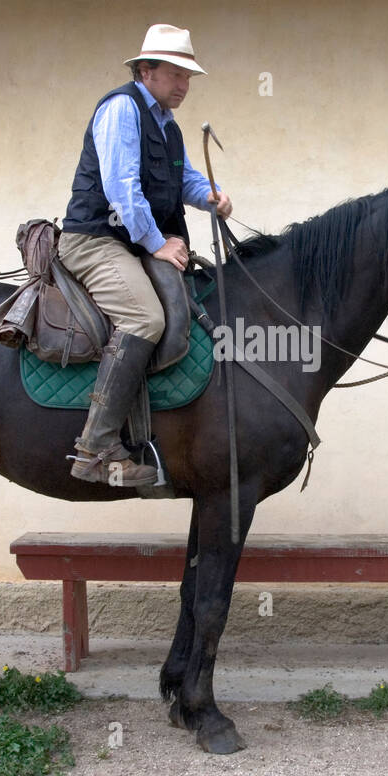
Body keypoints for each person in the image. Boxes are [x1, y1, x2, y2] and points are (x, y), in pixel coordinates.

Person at [58, 24, 232, 487]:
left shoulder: (166, 125)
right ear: (145, 70)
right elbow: (122, 188)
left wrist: (210, 195)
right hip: (95, 240)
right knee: (144, 320)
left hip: (133, 244)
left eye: (188, 77)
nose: (184, 86)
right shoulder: (121, 109)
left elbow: (184, 180)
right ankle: (95, 447)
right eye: (176, 75)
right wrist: (158, 242)